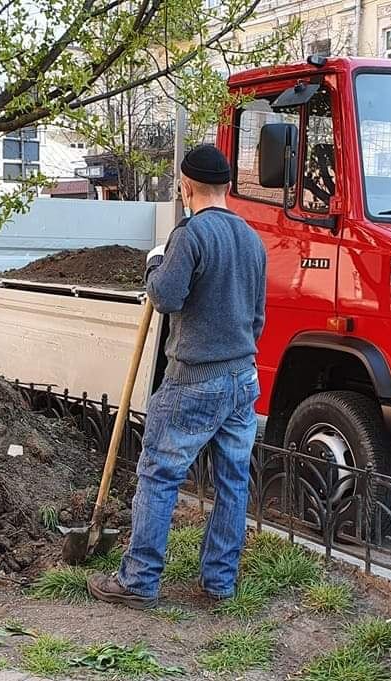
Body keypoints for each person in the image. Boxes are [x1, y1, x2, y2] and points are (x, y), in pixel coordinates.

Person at [87, 144, 267, 609]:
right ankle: (219, 583)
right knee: (232, 481)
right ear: (227, 187)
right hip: (243, 377)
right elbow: (259, 317)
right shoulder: (252, 239)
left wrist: (154, 261)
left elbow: (165, 296)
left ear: (187, 187)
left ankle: (139, 580)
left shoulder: (190, 235)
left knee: (159, 476)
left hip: (195, 379)